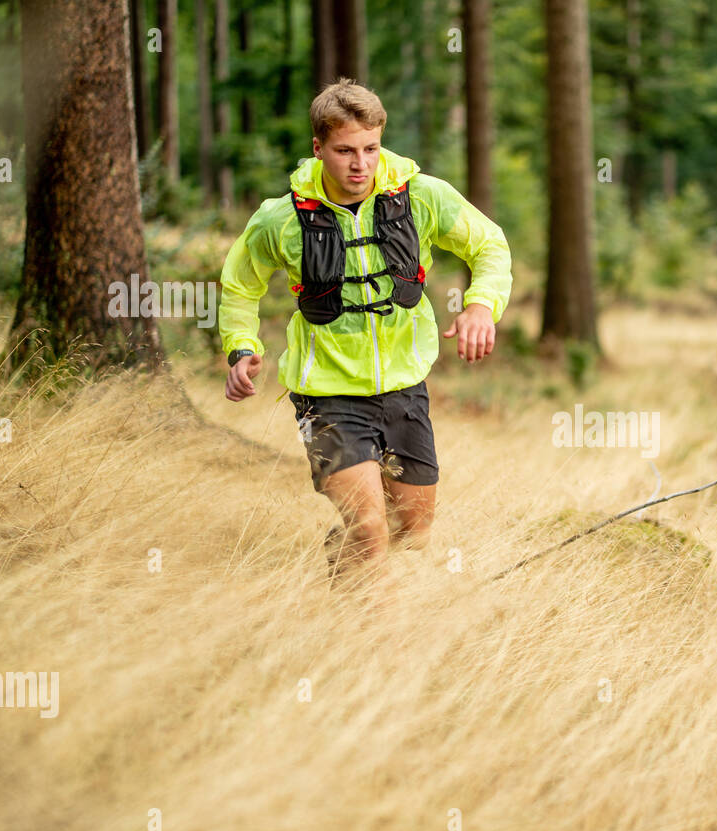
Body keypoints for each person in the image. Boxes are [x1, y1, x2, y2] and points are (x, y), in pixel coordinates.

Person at [218, 77, 512, 583]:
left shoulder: (420, 197)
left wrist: (481, 305)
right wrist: (241, 347)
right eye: (344, 151)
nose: (360, 164)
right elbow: (239, 285)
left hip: (404, 390)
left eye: (371, 148)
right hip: (326, 396)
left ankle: (342, 562)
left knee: (411, 531)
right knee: (371, 527)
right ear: (318, 148)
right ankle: (374, 646)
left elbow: (489, 245)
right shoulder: (281, 219)